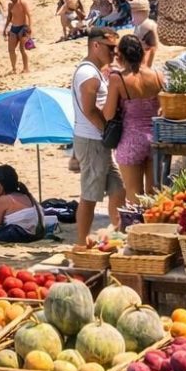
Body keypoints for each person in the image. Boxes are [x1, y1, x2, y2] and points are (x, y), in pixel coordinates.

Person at [72, 29, 124, 244]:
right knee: (90, 196)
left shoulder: (94, 71)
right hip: (92, 140)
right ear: (95, 46)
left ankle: (117, 232)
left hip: (95, 140)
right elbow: (89, 109)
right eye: (109, 48)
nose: (114, 52)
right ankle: (81, 242)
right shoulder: (88, 74)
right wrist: (107, 132)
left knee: (119, 188)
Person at [104, 34, 163, 200]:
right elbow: (164, 107)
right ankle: (155, 225)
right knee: (155, 194)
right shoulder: (158, 75)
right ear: (142, 53)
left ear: (120, 55)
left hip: (130, 140)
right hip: (155, 139)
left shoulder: (117, 79)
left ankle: (137, 225)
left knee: (134, 194)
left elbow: (108, 114)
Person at [5, 0, 33, 75]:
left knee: (22, 50)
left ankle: (26, 68)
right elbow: (9, 18)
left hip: (22, 28)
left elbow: (29, 15)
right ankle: (14, 69)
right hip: (13, 29)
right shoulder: (10, 5)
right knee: (11, 50)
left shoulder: (22, 3)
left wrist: (29, 27)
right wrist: (5, 28)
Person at [131, 0, 158, 67]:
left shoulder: (146, 25)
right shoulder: (141, 24)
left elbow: (152, 48)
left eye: (132, 11)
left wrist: (146, 66)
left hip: (146, 61)